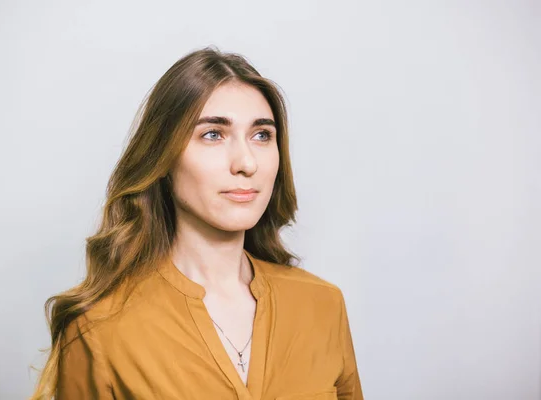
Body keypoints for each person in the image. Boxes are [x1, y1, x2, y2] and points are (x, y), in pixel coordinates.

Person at [30, 46, 363, 400]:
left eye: (262, 135)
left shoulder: (322, 305)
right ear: (163, 156)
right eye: (213, 134)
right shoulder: (99, 328)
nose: (246, 162)